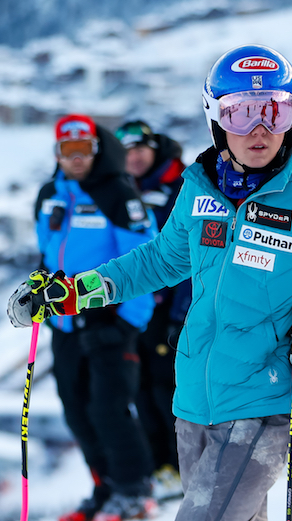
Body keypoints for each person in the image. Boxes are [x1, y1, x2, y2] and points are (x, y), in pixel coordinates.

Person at [8, 46, 292, 521]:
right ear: (215, 117)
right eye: (241, 112)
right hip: (195, 396)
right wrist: (74, 293)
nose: (259, 129)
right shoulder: (200, 187)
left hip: (270, 395)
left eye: (274, 111)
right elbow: (159, 261)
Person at [18, 113, 160, 521]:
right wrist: (36, 295)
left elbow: (144, 262)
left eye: (84, 150)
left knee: (108, 410)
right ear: (58, 153)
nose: (76, 158)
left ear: (96, 151)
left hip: (108, 323)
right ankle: (104, 489)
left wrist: (128, 322)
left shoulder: (117, 193)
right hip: (63, 323)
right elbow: (48, 255)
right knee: (76, 410)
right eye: (68, 150)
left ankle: (136, 492)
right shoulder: (50, 194)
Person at [115, 120, 191, 499]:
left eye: (140, 149)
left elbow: (189, 255)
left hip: (168, 308)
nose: (135, 157)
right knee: (140, 389)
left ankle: (183, 466)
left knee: (167, 390)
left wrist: (180, 314)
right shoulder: (123, 189)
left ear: (154, 148)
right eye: (127, 152)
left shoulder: (179, 187)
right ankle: (160, 467)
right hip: (134, 307)